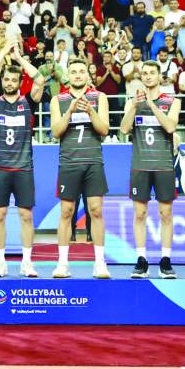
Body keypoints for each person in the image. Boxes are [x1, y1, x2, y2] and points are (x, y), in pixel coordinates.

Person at [0, 44, 44, 277]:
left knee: (26, 216)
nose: (8, 83)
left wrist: (18, 57)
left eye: (13, 80)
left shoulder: (29, 102)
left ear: (19, 82)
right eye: (6, 79)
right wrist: (2, 52)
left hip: (23, 168)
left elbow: (40, 81)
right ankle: (1, 262)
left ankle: (27, 262)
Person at [51, 57, 111, 279]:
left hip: (93, 161)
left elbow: (104, 129)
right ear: (68, 75)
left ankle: (100, 263)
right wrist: (70, 111)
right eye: (73, 71)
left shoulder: (99, 97)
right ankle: (63, 264)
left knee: (96, 211)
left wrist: (90, 112)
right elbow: (56, 131)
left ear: (88, 75)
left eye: (81, 71)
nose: (77, 75)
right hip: (69, 162)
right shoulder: (59, 99)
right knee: (66, 212)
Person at [120, 60, 180, 279]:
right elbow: (124, 129)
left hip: (163, 166)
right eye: (144, 73)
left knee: (165, 213)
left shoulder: (171, 101)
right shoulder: (132, 102)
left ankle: (165, 260)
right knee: (140, 213)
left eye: (151, 73)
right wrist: (135, 105)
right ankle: (142, 259)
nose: (147, 77)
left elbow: (171, 127)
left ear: (159, 76)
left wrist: (152, 105)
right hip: (140, 165)